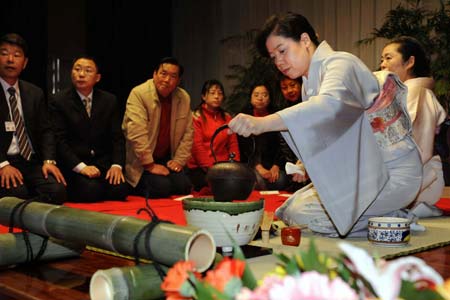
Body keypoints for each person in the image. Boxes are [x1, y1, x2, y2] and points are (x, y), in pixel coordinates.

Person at [228, 13, 423, 237]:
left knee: (305, 216)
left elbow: (329, 105)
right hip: (363, 172)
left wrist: (262, 123)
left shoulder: (341, 63)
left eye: (282, 51)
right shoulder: (309, 83)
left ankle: (394, 218)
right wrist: (303, 165)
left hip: (392, 173)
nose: (279, 61)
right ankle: (379, 215)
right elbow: (326, 135)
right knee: (289, 209)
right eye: (273, 57)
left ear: (304, 40)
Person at [381, 36, 447, 217]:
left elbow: (421, 150)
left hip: (418, 173)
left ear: (409, 62)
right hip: (396, 166)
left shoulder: (421, 94)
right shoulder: (399, 95)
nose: (383, 65)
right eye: (382, 59)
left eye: (388, 58)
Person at [50, 56, 129, 202]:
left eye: (88, 70)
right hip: (75, 164)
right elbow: (59, 141)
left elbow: (117, 137)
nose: (81, 74)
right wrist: (82, 167)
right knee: (91, 190)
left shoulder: (109, 100)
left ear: (97, 77)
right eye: (77, 69)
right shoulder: (59, 100)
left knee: (121, 189)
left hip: (101, 163)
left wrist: (116, 165)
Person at [0, 33, 67, 204]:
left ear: (25, 63)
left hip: (30, 161)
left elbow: (46, 130)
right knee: (16, 194)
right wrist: (3, 165)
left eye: (16, 55)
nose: (10, 59)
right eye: (4, 53)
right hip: (4, 160)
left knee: (57, 191)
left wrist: (49, 160)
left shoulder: (34, 93)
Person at [122, 57, 193, 198]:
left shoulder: (183, 97)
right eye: (163, 74)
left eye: (173, 76)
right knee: (161, 188)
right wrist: (150, 165)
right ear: (154, 74)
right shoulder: (139, 94)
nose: (167, 80)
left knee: (184, 186)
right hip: (141, 162)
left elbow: (188, 132)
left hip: (166, 158)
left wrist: (179, 160)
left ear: (178, 81)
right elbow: (136, 133)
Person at [187, 79, 240, 192]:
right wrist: (213, 169)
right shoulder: (196, 117)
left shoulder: (227, 118)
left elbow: (233, 144)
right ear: (203, 96)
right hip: (201, 168)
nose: (217, 96)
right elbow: (197, 147)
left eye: (220, 93)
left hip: (224, 166)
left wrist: (234, 165)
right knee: (216, 185)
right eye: (212, 93)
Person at [238, 83, 287, 191]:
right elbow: (245, 147)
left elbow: (282, 145)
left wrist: (276, 166)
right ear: (250, 98)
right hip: (252, 165)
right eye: (256, 95)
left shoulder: (276, 116)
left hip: (272, 164)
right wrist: (258, 167)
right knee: (257, 181)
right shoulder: (244, 117)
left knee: (281, 180)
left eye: (264, 95)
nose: (260, 98)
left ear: (269, 99)